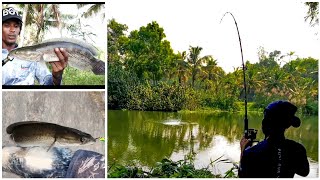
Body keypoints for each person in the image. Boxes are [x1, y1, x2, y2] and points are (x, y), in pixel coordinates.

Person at [239, 100, 309, 178]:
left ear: (264, 124)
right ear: (288, 125)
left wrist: (243, 151)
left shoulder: (251, 153)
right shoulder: (298, 149)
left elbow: (242, 176)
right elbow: (304, 172)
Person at [2, 7, 68, 85]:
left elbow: (47, 81)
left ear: (19, 30)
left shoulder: (31, 55)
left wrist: (56, 77)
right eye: (7, 25)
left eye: (16, 26)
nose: (12, 30)